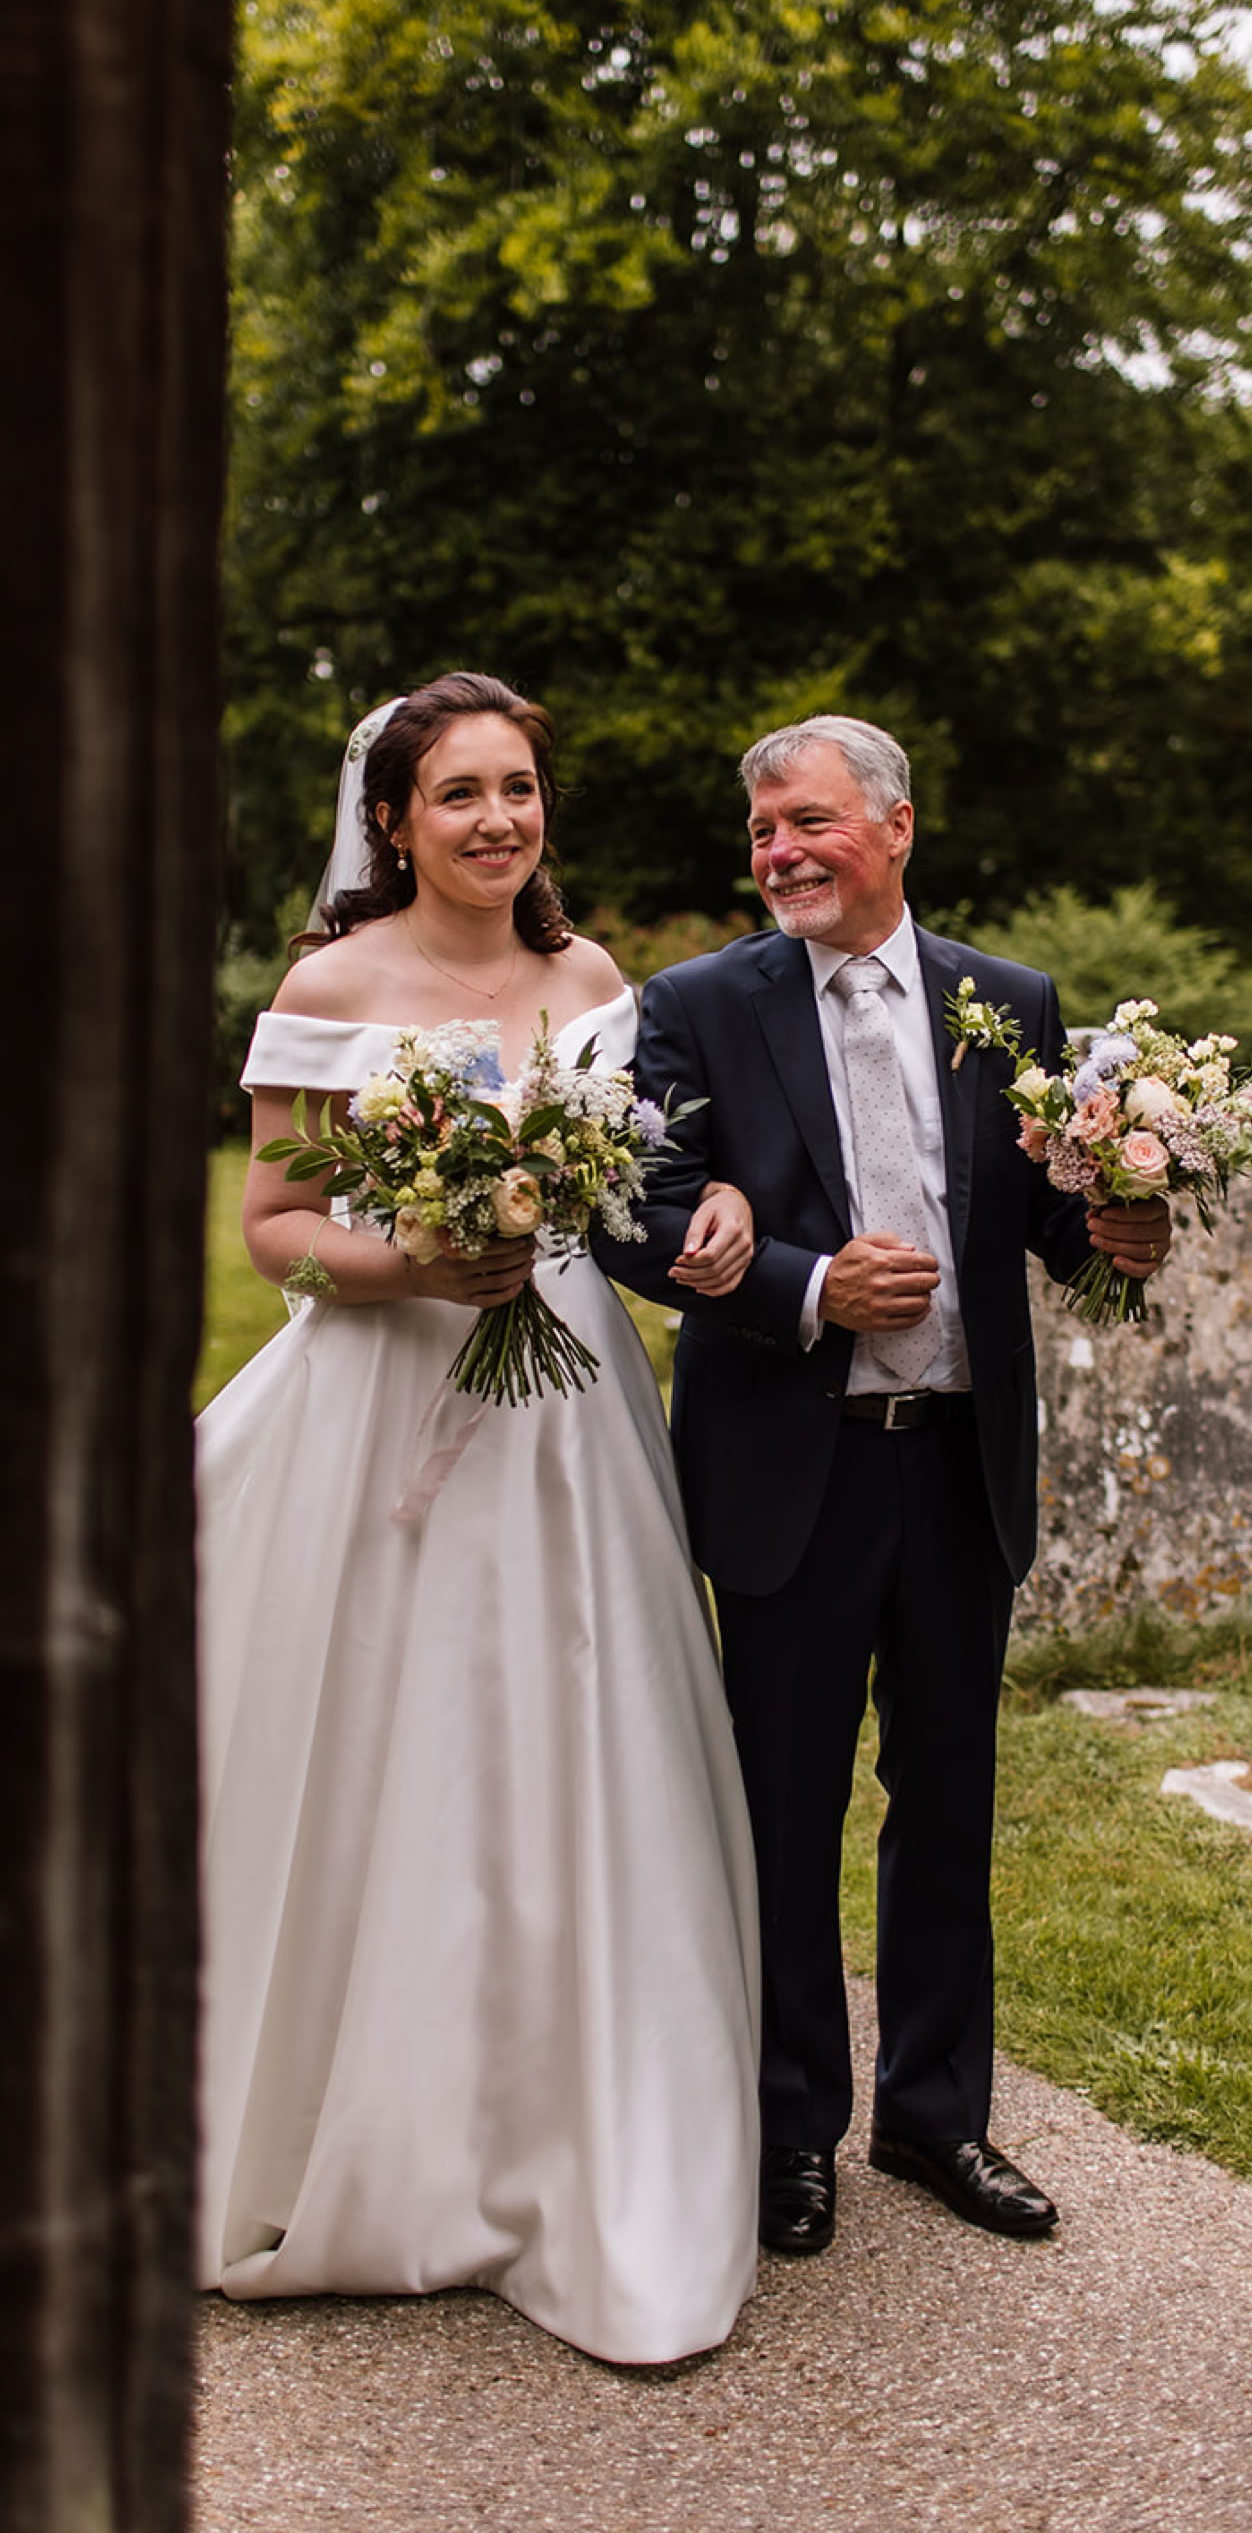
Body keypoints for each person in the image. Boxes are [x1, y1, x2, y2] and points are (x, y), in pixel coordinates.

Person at [196, 672, 761, 2364]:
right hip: (383, 1405)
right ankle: (369, 2129)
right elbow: (275, 1226)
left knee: (572, 1728)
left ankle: (566, 2129)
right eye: (459, 794)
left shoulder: (589, 979)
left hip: (569, 1409)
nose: (498, 820)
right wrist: (414, 1264)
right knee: (391, 1730)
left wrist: (722, 1201)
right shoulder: (331, 986)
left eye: (518, 788)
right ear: (392, 821)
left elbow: (648, 1184)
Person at [605, 714, 1170, 2257]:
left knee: (949, 1802)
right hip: (797, 1470)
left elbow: (1051, 1212)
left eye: (809, 821)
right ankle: (791, 2132)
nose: (779, 852)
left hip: (960, 1466)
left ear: (897, 826)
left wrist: (1121, 1232)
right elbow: (633, 1208)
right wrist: (802, 1285)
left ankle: (936, 2116)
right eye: (763, 832)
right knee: (784, 1814)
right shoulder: (698, 1005)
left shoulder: (1011, 1001)